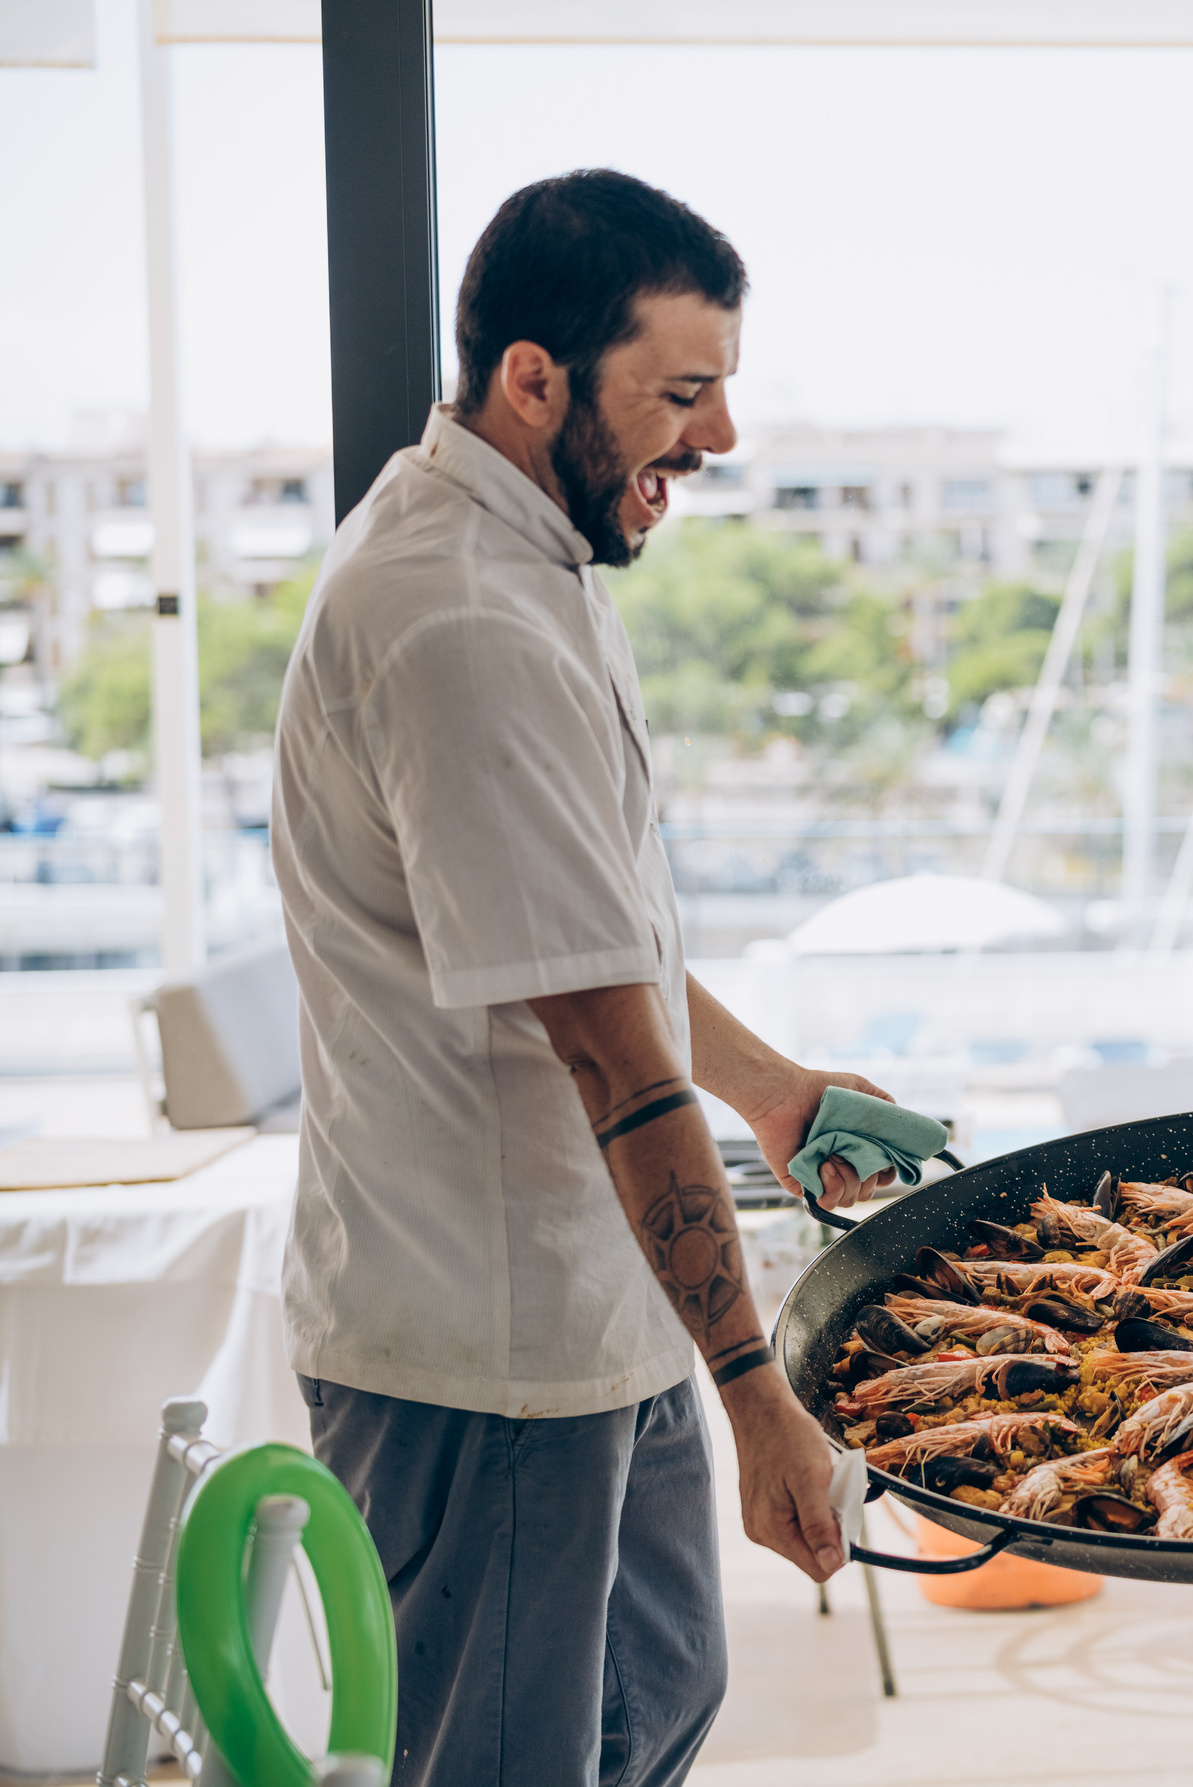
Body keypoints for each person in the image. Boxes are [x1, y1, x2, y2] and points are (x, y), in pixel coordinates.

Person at [271, 169, 895, 1785]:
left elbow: (598, 943)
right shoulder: (459, 621)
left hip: (596, 1317)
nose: (721, 443)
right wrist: (766, 1402)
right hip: (489, 1361)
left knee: (651, 1715)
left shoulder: (534, 557)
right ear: (534, 378)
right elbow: (613, 1060)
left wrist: (772, 1093)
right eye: (681, 396)